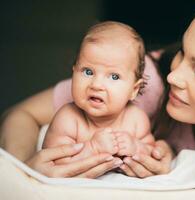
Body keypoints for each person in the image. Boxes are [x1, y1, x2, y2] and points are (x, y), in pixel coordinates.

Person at [0, 0, 195, 199]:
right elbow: (20, 114)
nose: (174, 76)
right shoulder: (144, 82)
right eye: (182, 50)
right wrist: (29, 168)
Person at [42, 21, 155, 167]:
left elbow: (152, 153)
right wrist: (93, 148)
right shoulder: (68, 120)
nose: (96, 85)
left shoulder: (136, 120)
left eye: (114, 76)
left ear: (134, 90)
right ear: (74, 71)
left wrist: (137, 147)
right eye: (88, 72)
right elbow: (54, 163)